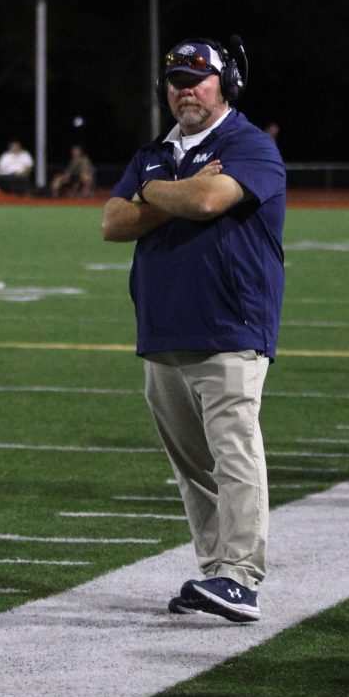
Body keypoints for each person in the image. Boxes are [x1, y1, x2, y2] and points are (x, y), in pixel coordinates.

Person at [101, 36, 286, 623]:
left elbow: (208, 200)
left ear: (224, 84)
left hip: (230, 324)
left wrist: (153, 191)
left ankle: (242, 577)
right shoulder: (157, 151)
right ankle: (214, 575)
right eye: (176, 79)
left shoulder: (248, 144)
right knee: (193, 467)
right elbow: (113, 221)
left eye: (198, 79)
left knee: (235, 454)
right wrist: (166, 193)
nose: (185, 88)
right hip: (162, 329)